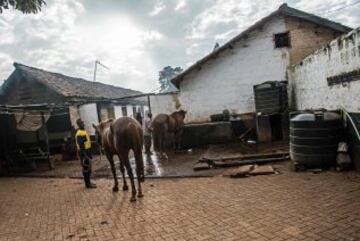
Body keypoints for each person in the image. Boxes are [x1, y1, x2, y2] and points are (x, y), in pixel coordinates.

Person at [75, 118, 96, 189]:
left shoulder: (83, 131)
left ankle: (89, 182)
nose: (83, 124)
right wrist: (86, 156)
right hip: (84, 153)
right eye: (81, 123)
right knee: (86, 169)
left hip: (87, 152)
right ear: (78, 124)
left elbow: (87, 142)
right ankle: (87, 184)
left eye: (83, 122)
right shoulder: (79, 133)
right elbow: (81, 146)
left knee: (89, 169)